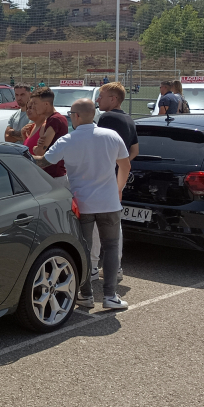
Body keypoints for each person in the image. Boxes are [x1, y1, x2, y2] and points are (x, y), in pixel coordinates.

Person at [34, 98, 130, 310]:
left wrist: (25, 152)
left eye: (71, 115)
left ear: (76, 116)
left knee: (84, 249)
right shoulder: (112, 136)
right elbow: (125, 165)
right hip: (109, 202)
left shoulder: (68, 140)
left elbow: (42, 162)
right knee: (111, 247)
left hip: (82, 204)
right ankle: (110, 296)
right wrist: (118, 188)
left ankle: (85, 295)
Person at [91, 82, 140, 282]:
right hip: (115, 179)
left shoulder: (107, 118)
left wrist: (110, 167)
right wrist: (121, 167)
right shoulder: (129, 119)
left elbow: (99, 146)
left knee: (94, 225)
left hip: (102, 179)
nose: (97, 100)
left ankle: (93, 268)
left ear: (113, 99)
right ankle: (116, 267)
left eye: (101, 96)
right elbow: (134, 150)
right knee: (114, 225)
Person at [21, 87, 67, 183]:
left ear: (46, 104)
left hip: (54, 177)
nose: (33, 107)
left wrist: (35, 148)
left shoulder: (55, 120)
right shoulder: (52, 119)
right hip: (50, 175)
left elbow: (39, 151)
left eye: (35, 103)